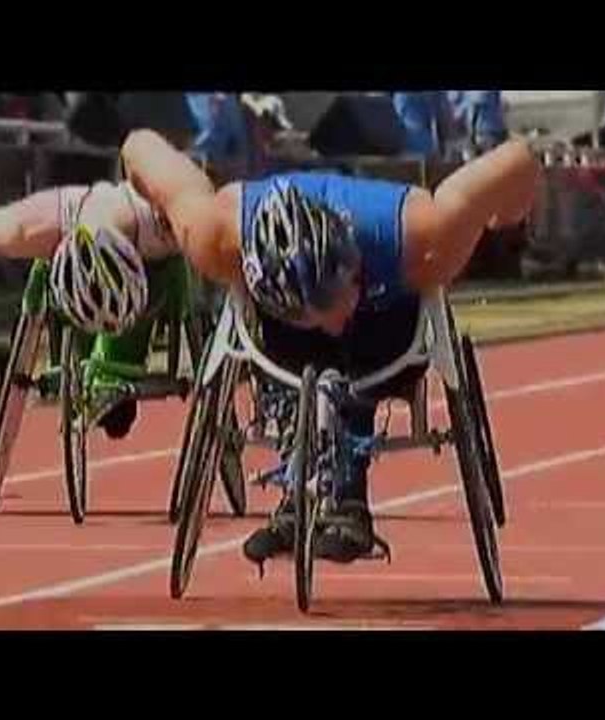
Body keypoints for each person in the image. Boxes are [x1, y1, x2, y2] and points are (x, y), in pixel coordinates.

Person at [122, 128, 540, 565]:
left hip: (388, 308)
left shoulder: (429, 232)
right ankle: (297, 474)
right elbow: (139, 145)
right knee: (284, 340)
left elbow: (521, 156)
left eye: (335, 304)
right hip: (280, 323)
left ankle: (346, 486)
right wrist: (139, 195)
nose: (331, 326)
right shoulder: (211, 232)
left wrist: (510, 215)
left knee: (357, 337)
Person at [0, 174, 181, 438]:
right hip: (64, 223)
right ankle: (96, 372)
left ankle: (112, 370)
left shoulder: (175, 216)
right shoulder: (30, 229)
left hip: (158, 262)